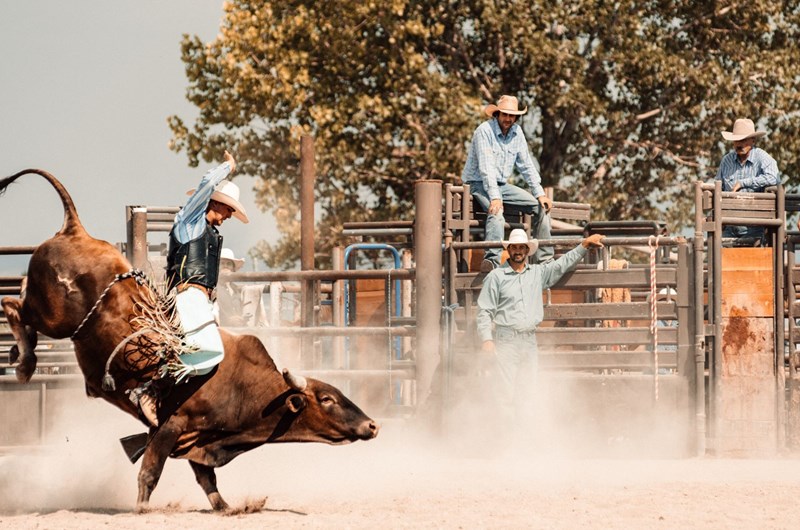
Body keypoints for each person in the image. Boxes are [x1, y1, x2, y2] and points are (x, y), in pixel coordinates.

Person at [138, 150, 249, 426]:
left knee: (217, 360)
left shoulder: (206, 230)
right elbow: (206, 185)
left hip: (202, 302)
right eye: (229, 208)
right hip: (187, 297)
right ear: (214, 202)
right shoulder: (189, 221)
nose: (230, 215)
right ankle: (152, 390)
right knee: (211, 351)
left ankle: (179, 410)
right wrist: (227, 167)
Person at [476, 229, 605, 426]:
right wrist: (486, 339)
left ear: (527, 250)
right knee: (505, 390)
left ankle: (523, 436)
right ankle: (506, 438)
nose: (518, 251)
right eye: (514, 247)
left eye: (521, 247)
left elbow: (561, 265)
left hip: (528, 339)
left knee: (528, 389)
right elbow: (485, 310)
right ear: (508, 249)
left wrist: (584, 245)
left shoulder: (537, 273)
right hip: (506, 340)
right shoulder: (496, 276)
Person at [461, 95, 554, 271]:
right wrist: (495, 198)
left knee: (540, 207)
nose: (508, 119)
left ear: (516, 117)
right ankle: (492, 261)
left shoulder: (517, 133)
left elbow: (526, 165)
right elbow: (486, 168)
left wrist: (540, 193)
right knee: (497, 212)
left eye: (512, 116)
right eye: (505, 115)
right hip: (478, 183)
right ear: (497, 114)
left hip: (501, 185)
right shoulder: (484, 131)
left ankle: (545, 259)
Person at [716, 118, 780, 244]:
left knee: (752, 261)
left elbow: (775, 177)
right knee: (722, 260)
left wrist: (744, 182)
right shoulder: (726, 161)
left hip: (755, 227)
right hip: (729, 226)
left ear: (753, 140)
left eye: (743, 140)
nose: (739, 144)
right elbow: (717, 186)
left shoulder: (762, 157)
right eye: (736, 140)